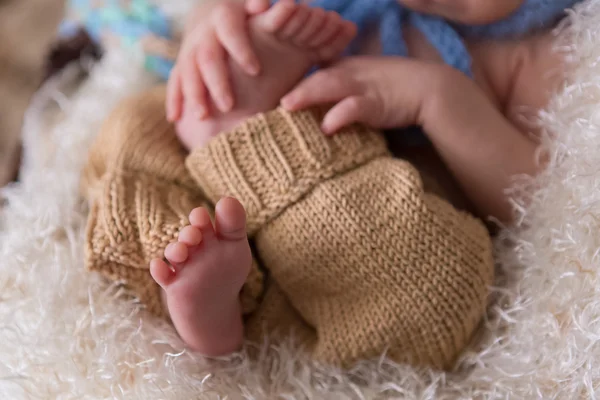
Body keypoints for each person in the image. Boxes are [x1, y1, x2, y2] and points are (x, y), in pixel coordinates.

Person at [81, 0, 574, 369]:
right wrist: (214, 26)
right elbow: (221, 20)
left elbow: (531, 195)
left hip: (350, 226)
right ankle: (194, 282)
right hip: (219, 180)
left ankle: (220, 309)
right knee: (140, 125)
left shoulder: (530, 51)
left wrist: (436, 96)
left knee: (423, 279)